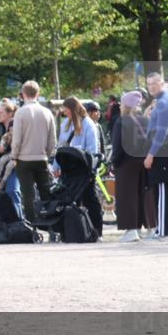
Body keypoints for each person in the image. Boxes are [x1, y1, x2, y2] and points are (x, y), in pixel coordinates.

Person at [55, 96, 104, 237]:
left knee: (90, 199)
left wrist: (90, 167)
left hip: (84, 168)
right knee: (70, 199)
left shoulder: (88, 124)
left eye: (66, 110)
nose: (64, 113)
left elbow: (92, 148)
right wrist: (56, 165)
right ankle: (73, 231)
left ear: (72, 109)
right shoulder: (66, 124)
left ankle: (96, 231)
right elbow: (61, 145)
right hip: (69, 168)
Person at [144, 72, 168, 241]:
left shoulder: (164, 102)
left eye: (154, 83)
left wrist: (151, 154)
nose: (151, 86)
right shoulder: (163, 101)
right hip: (167, 149)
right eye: (148, 84)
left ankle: (163, 231)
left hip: (163, 150)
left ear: (161, 83)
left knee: (163, 190)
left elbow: (161, 132)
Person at [111, 91, 155, 242]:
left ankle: (131, 230)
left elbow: (117, 146)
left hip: (126, 163)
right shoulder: (145, 120)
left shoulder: (122, 121)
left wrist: (114, 162)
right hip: (143, 161)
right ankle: (150, 228)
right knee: (144, 195)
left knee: (127, 196)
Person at [11, 81, 56, 223]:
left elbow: (16, 139)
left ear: (23, 94)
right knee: (45, 192)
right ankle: (50, 222)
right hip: (41, 157)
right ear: (38, 94)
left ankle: (32, 224)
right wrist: (47, 154)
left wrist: (14, 156)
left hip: (24, 159)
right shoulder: (47, 112)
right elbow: (52, 140)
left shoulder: (20, 112)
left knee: (27, 194)